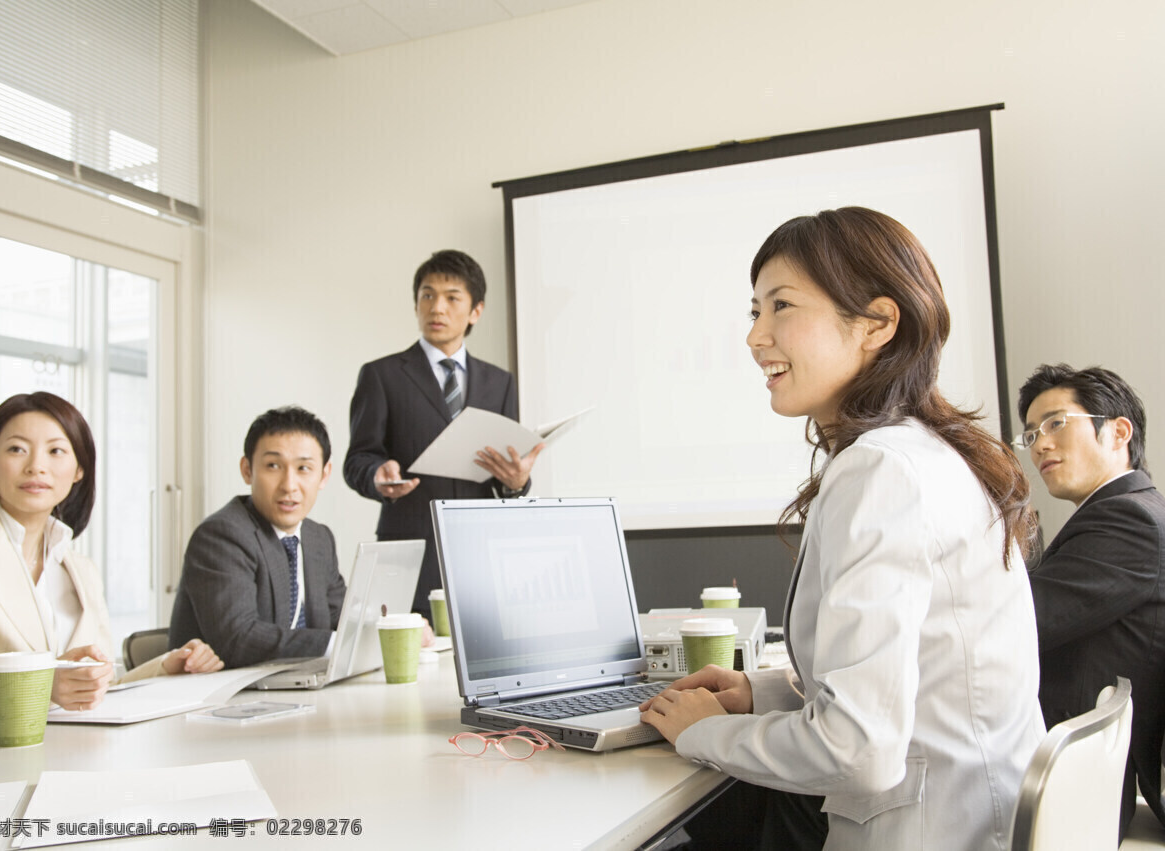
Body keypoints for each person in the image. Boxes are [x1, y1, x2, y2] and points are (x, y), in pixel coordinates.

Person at [639, 207, 1045, 850]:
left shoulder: (882, 470)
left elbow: (860, 749)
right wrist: (759, 692)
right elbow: (920, 678)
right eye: (755, 311)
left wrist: (701, 732)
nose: (755, 337)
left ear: (878, 324)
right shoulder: (925, 453)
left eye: (782, 307)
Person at [0, 392, 222, 718]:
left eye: (56, 451)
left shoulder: (81, 570)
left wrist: (167, 666)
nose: (36, 467)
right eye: (17, 449)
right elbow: (51, 688)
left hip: (72, 755)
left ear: (78, 471)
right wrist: (40, 685)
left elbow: (98, 686)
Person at [344, 249, 544, 617]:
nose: (437, 308)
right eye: (427, 295)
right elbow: (357, 459)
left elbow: (504, 476)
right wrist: (376, 475)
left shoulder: (499, 382)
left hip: (482, 554)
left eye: (452, 298)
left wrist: (517, 482)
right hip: (410, 552)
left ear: (475, 311)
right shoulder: (382, 375)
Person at [1016, 364, 1165, 837]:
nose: (1040, 444)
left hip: (1076, 789)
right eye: (1031, 433)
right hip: (1068, 772)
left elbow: (1021, 623)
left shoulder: (1130, 520)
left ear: (1119, 432)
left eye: (1056, 423)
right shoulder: (1118, 513)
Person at [170, 407, 348, 668]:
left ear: (324, 475)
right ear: (247, 470)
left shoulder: (318, 538)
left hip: (296, 690)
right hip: (224, 698)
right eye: (273, 466)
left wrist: (394, 627)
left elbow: (339, 618)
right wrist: (338, 645)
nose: (289, 484)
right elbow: (237, 639)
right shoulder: (221, 536)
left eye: (303, 468)